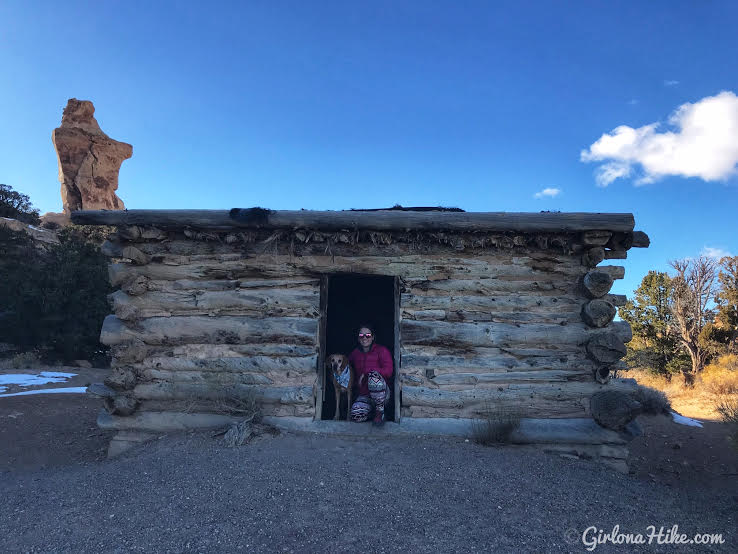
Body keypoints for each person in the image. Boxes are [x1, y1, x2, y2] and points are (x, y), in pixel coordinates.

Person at [348, 323, 393, 426]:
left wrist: (367, 372)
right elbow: (346, 368)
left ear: (372, 337)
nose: (364, 338)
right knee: (356, 415)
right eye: (361, 335)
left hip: (382, 395)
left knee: (373, 376)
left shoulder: (382, 351)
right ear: (358, 338)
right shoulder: (355, 354)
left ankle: (380, 411)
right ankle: (371, 413)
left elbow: (389, 371)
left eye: (368, 335)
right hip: (364, 395)